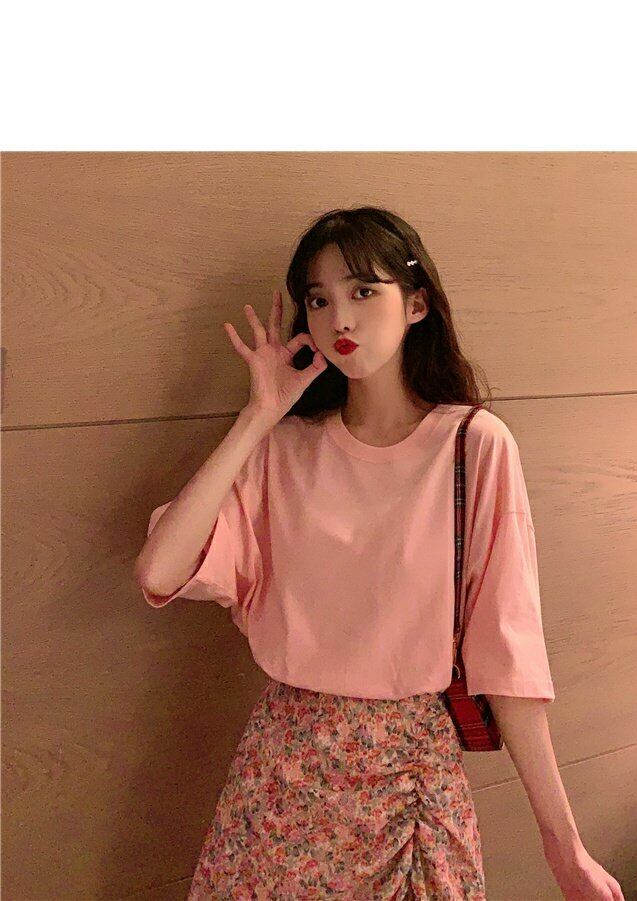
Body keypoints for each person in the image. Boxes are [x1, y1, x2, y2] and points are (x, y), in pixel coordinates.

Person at [134, 206, 566, 899]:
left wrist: (562, 843)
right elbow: (159, 570)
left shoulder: (473, 445)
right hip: (281, 784)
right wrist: (258, 417)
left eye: (364, 290)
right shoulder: (284, 448)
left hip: (409, 788)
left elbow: (508, 658)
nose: (340, 316)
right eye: (319, 299)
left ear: (417, 304)